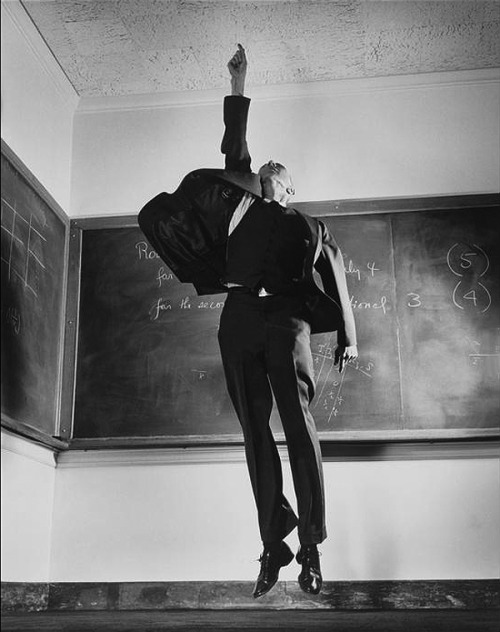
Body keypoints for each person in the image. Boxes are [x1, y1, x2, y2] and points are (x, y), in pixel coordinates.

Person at [138, 44, 358, 598]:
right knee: (253, 434)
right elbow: (233, 145)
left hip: (286, 323)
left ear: (289, 190)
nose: (270, 183)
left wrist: (349, 338)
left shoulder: (307, 225)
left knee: (299, 431)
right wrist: (237, 88)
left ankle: (309, 547)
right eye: (265, 177)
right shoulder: (239, 198)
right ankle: (272, 543)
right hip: (237, 317)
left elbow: (335, 270)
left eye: (279, 181)